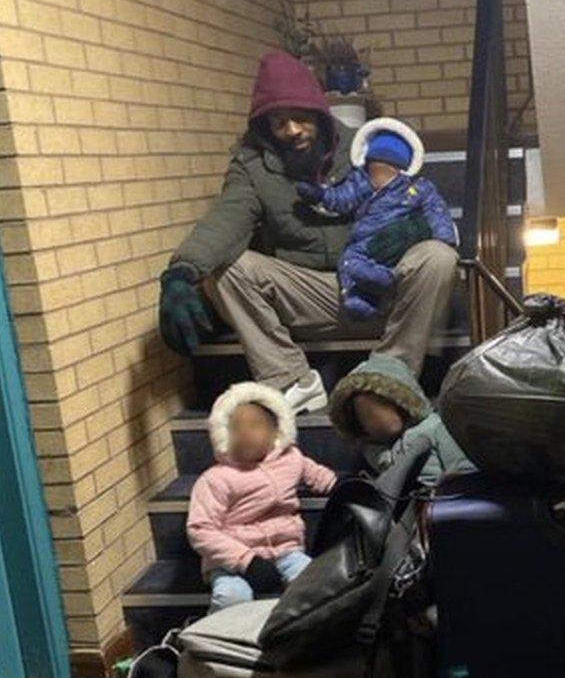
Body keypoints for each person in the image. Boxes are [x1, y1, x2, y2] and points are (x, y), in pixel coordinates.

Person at [158, 50, 458, 414]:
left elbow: (415, 201)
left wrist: (413, 231)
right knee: (226, 269)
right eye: (279, 122)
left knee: (438, 257)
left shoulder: (366, 148)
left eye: (300, 118)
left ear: (318, 112)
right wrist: (182, 271)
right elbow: (227, 218)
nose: (292, 130)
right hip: (310, 295)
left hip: (376, 285)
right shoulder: (253, 167)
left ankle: (390, 375)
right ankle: (291, 380)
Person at [187, 381, 337, 612]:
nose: (245, 432)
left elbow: (315, 474)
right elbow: (200, 529)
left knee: (315, 585)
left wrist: (337, 485)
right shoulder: (216, 479)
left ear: (276, 431)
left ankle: (299, 638)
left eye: (255, 425)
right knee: (232, 598)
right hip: (232, 560)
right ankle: (221, 641)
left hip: (286, 550)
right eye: (235, 427)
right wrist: (246, 560)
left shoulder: (291, 459)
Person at [296, 117, 457, 321]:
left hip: (398, 244)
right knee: (349, 262)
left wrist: (444, 237)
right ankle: (361, 299)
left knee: (377, 264)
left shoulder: (417, 188)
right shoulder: (361, 183)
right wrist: (319, 195)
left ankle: (385, 282)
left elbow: (436, 211)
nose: (378, 178)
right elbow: (342, 199)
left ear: (400, 170)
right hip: (363, 242)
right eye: (374, 170)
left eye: (386, 171)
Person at [328, 353, 473, 486]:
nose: (376, 419)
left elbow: (462, 467)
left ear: (400, 402)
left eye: (380, 405)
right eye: (365, 414)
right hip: (399, 505)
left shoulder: (434, 427)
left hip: (440, 502)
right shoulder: (372, 451)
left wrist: (451, 486)